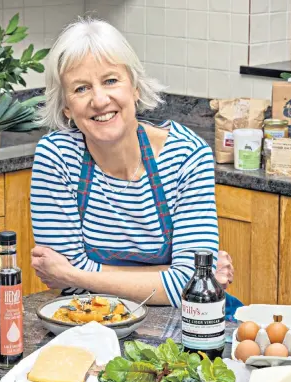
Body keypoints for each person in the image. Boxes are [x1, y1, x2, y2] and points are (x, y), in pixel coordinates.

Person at [29, 17, 235, 308]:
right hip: (91, 319)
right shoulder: (57, 158)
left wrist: (75, 274)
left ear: (135, 88)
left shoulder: (187, 156)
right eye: (81, 89)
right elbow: (67, 288)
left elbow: (191, 289)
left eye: (111, 80)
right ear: (65, 107)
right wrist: (172, 277)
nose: (99, 100)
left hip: (186, 323)